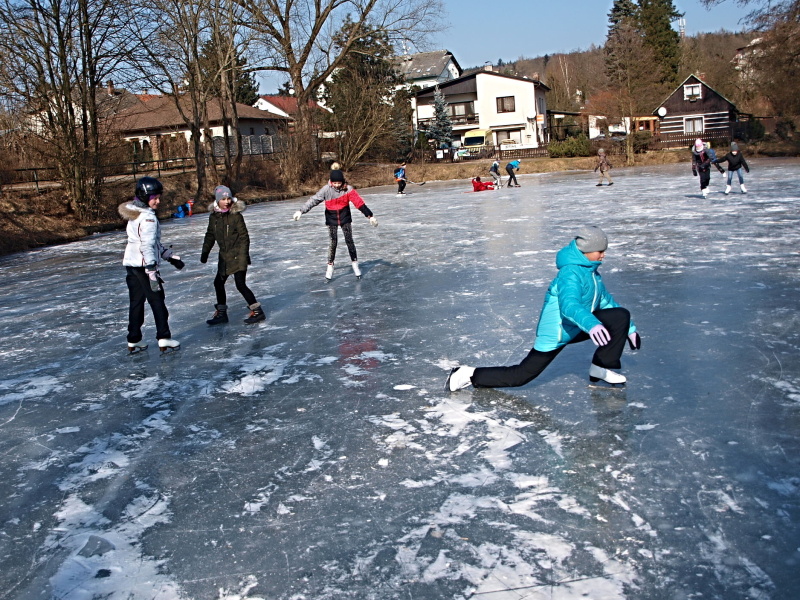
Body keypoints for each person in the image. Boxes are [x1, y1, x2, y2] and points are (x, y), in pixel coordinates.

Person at [445, 226, 641, 391]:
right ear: (586, 251)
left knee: (620, 316)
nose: (603, 254)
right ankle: (467, 374)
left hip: (578, 326)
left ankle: (600, 368)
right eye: (600, 250)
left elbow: (606, 302)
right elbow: (569, 306)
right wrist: (592, 325)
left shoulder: (592, 273)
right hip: (558, 331)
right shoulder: (570, 273)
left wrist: (629, 329)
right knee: (520, 376)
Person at [119, 176, 184, 353]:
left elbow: (150, 242)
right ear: (144, 197)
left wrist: (169, 256)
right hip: (145, 267)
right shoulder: (148, 218)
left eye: (159, 197)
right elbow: (147, 245)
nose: (158, 201)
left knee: (136, 302)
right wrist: (151, 269)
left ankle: (134, 339)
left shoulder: (135, 214)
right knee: (157, 301)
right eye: (154, 198)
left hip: (132, 264)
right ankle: (164, 337)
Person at [293, 166, 378, 281]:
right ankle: (330, 266)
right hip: (331, 218)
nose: (337, 185)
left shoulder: (348, 189)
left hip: (345, 217)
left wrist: (370, 216)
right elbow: (313, 200)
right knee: (333, 242)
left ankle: (355, 264)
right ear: (331, 182)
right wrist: (301, 211)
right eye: (335, 183)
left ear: (342, 181)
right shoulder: (326, 190)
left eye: (339, 183)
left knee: (349, 241)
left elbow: (359, 203)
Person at [200, 185, 265, 325]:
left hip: (238, 255)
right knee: (218, 283)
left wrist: (244, 255)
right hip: (224, 257)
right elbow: (210, 235)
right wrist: (205, 252)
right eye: (223, 199)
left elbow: (244, 237)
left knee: (240, 284)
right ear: (217, 200)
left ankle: (258, 311)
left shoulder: (236, 216)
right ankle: (222, 313)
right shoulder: (214, 217)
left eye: (228, 198)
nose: (227, 201)